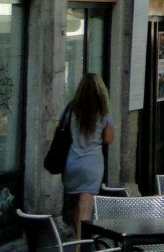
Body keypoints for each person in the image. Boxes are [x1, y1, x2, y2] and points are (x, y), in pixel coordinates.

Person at [62, 73, 114, 239]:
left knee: (77, 205)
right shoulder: (103, 111)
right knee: (86, 206)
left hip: (72, 162)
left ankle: (78, 240)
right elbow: (108, 139)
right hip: (92, 163)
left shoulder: (70, 109)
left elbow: (61, 130)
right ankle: (82, 243)